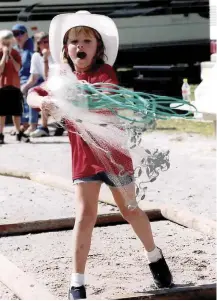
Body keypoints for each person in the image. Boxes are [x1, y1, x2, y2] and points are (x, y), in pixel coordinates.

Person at [27, 11, 173, 300]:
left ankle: (154, 255)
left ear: (97, 48)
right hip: (84, 158)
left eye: (87, 41)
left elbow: (100, 94)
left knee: (130, 210)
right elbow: (33, 93)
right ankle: (77, 283)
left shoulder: (104, 73)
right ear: (65, 49)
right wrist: (44, 99)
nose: (80, 46)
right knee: (84, 215)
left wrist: (64, 99)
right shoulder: (60, 79)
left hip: (113, 155)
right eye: (74, 41)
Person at [21, 31, 53, 136]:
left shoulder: (56, 53)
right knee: (31, 92)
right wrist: (24, 88)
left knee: (46, 92)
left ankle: (44, 127)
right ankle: (33, 125)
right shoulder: (35, 56)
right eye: (41, 42)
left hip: (59, 84)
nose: (45, 44)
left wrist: (45, 60)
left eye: (47, 41)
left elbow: (47, 77)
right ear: (37, 44)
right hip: (48, 84)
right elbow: (34, 78)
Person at [0, 29, 29, 144]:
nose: (7, 45)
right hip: (2, 86)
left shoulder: (16, 53)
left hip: (15, 85)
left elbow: (18, 69)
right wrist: (4, 56)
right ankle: (1, 134)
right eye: (4, 42)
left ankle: (18, 133)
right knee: (1, 113)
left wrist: (10, 56)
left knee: (16, 112)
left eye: (8, 42)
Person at [12, 24, 34, 132]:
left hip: (31, 79)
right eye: (15, 34)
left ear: (26, 34)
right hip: (18, 80)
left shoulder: (31, 48)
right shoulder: (15, 49)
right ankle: (19, 125)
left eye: (21, 33)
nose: (18, 36)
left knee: (23, 93)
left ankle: (25, 124)